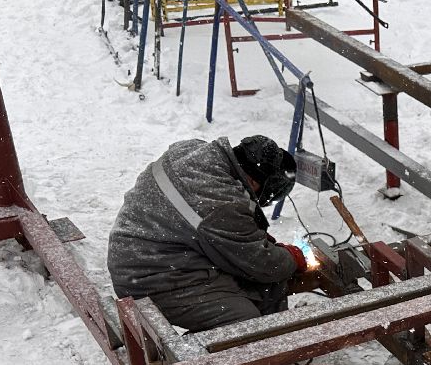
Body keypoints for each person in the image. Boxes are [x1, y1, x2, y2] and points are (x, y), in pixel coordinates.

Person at [108, 135, 312, 332]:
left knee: (268, 287)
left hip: (141, 254)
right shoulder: (222, 202)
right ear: (254, 182)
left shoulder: (194, 152)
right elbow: (263, 263)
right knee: (245, 324)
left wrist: (247, 236)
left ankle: (268, 341)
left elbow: (200, 220)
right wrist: (291, 257)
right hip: (151, 279)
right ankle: (204, 358)